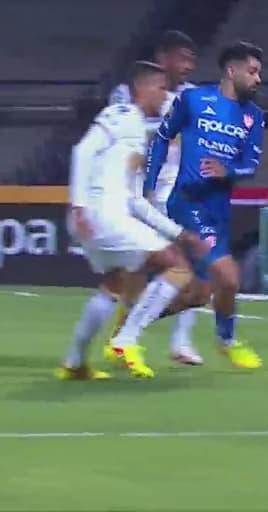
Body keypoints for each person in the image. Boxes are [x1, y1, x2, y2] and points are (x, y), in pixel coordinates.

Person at [60, 61, 208, 380]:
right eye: (161, 88)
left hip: (105, 216)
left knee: (116, 283)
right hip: (101, 214)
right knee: (178, 267)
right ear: (143, 88)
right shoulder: (122, 113)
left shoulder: (137, 133)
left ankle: (75, 362)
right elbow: (82, 151)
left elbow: (136, 201)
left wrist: (178, 233)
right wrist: (79, 206)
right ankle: (126, 339)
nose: (165, 96)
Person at [145, 41, 265, 369]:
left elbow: (250, 165)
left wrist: (229, 171)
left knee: (198, 293)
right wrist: (149, 185)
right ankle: (227, 341)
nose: (257, 79)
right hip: (187, 200)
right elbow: (163, 137)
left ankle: (129, 326)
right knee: (229, 278)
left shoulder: (254, 116)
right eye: (252, 71)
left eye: (259, 73)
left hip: (219, 209)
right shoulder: (194, 100)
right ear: (231, 70)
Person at [106, 30, 204, 365]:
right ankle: (124, 333)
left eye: (192, 60)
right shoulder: (127, 92)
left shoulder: (192, 95)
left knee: (190, 265)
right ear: (163, 58)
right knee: (139, 270)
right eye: (182, 58)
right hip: (142, 194)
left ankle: (176, 340)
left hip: (179, 193)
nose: (188, 66)